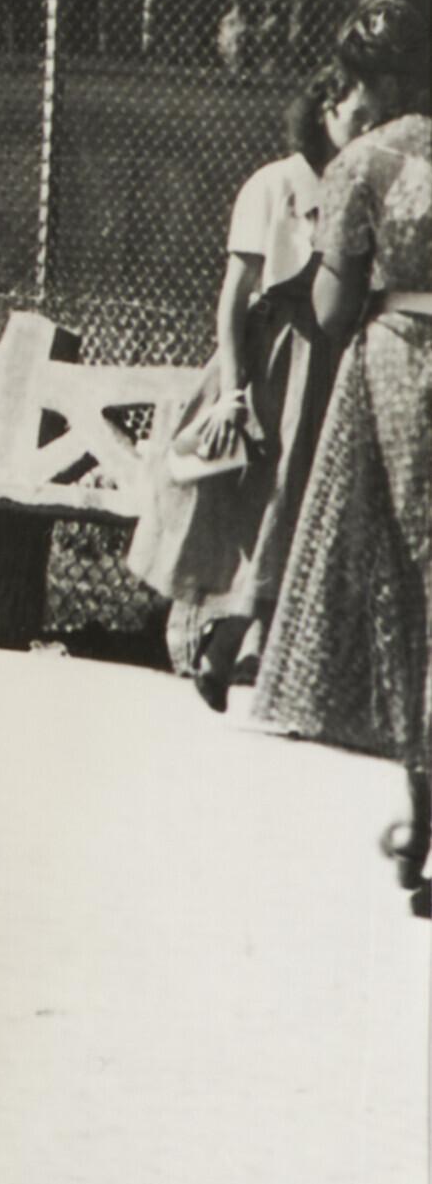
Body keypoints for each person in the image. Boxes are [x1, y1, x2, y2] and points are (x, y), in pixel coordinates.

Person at [247, 0, 432, 890]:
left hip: (402, 368)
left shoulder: (366, 160)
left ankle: (425, 822)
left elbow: (329, 313)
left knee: (405, 580)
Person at [131, 56, 377, 706]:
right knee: (258, 502)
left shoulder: (362, 190)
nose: (368, 128)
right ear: (325, 110)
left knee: (303, 504)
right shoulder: (272, 185)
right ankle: (226, 640)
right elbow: (232, 298)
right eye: (359, 115)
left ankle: (253, 654)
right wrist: (237, 390)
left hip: (328, 361)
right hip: (270, 363)